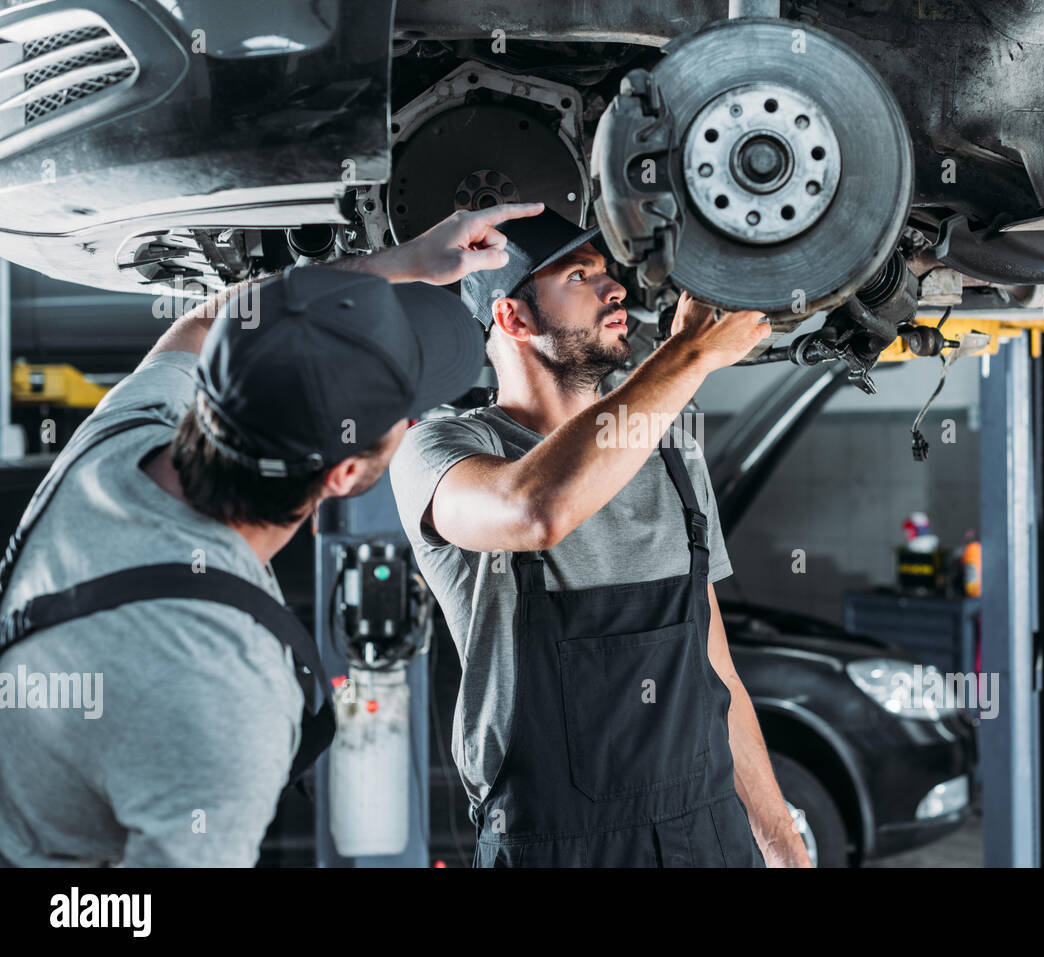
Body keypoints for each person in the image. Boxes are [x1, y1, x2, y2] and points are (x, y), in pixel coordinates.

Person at [0, 203, 544, 866]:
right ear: (345, 473)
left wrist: (396, 266)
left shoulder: (125, 438)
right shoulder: (228, 700)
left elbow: (209, 319)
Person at [389, 208, 813, 867]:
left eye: (609, 273)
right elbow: (535, 511)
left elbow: (715, 668)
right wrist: (688, 353)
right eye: (580, 275)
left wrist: (782, 842)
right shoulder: (442, 449)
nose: (615, 289)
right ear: (514, 319)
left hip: (706, 834)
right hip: (556, 847)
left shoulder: (670, 444)